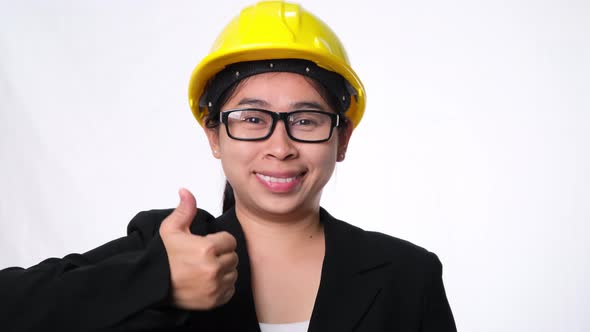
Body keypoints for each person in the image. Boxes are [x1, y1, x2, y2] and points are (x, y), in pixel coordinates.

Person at [0, 1, 456, 331]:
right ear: (214, 136)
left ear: (342, 139)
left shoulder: (406, 273)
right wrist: (154, 281)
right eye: (252, 119)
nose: (280, 146)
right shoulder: (168, 249)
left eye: (306, 120)